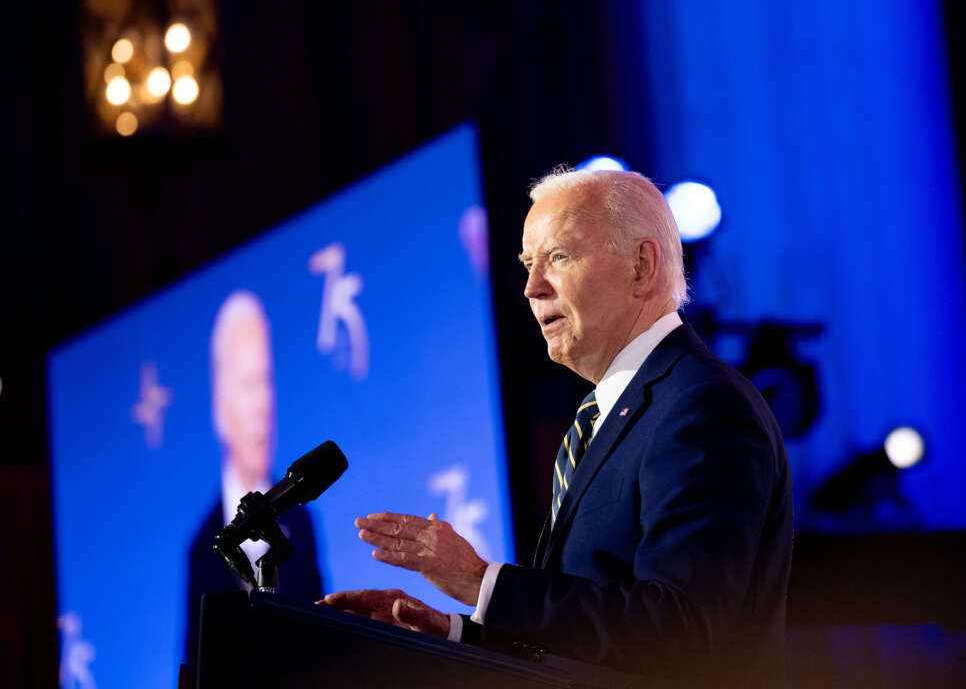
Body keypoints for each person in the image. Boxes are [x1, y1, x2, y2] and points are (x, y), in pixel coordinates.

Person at [321, 169, 793, 685]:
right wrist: (455, 635)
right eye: (528, 264)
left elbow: (682, 630)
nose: (530, 288)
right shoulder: (608, 416)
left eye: (559, 257)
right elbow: (595, 642)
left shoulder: (701, 406)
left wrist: (482, 583)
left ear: (641, 266)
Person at [184, 291, 324, 664]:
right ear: (220, 404)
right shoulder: (202, 549)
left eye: (267, 381)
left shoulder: (301, 522)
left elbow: (328, 644)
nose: (263, 404)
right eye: (248, 383)